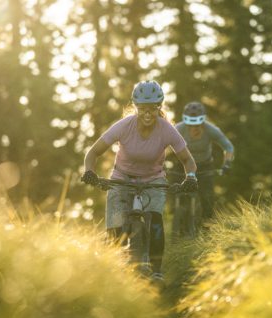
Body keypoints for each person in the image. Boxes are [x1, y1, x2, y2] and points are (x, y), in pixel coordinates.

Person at [81, 80, 198, 283]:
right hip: (122, 178)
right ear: (136, 107)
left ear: (159, 108)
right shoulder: (124, 126)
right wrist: (90, 171)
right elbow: (93, 153)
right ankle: (113, 270)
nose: (147, 113)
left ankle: (157, 271)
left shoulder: (166, 129)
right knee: (116, 230)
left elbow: (188, 160)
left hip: (153, 179)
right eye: (143, 108)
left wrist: (191, 177)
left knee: (155, 222)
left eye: (152, 108)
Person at [175, 101, 234, 221]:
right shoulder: (178, 129)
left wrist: (227, 163)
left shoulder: (211, 130)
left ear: (203, 122)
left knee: (207, 199)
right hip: (183, 166)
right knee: (179, 195)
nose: (194, 129)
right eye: (190, 126)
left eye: (197, 125)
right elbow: (163, 146)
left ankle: (207, 229)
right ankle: (179, 222)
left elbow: (228, 147)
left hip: (205, 166)